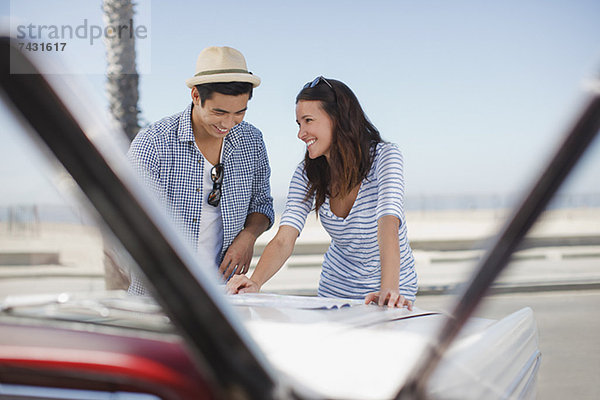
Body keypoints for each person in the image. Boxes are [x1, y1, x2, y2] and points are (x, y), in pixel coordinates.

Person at [227, 77, 417, 308]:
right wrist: (255, 282)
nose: (301, 133)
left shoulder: (384, 157)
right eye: (299, 124)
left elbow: (388, 221)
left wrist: (388, 290)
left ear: (338, 119)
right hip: (335, 288)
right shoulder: (306, 173)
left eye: (308, 121)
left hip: (394, 285)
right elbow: (285, 238)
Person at [127, 46, 274, 295]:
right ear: (196, 96)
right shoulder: (153, 144)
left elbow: (262, 203)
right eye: (219, 112)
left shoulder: (252, 140)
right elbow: (136, 222)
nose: (229, 124)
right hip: (159, 295)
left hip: (226, 295)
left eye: (239, 113)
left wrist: (248, 236)